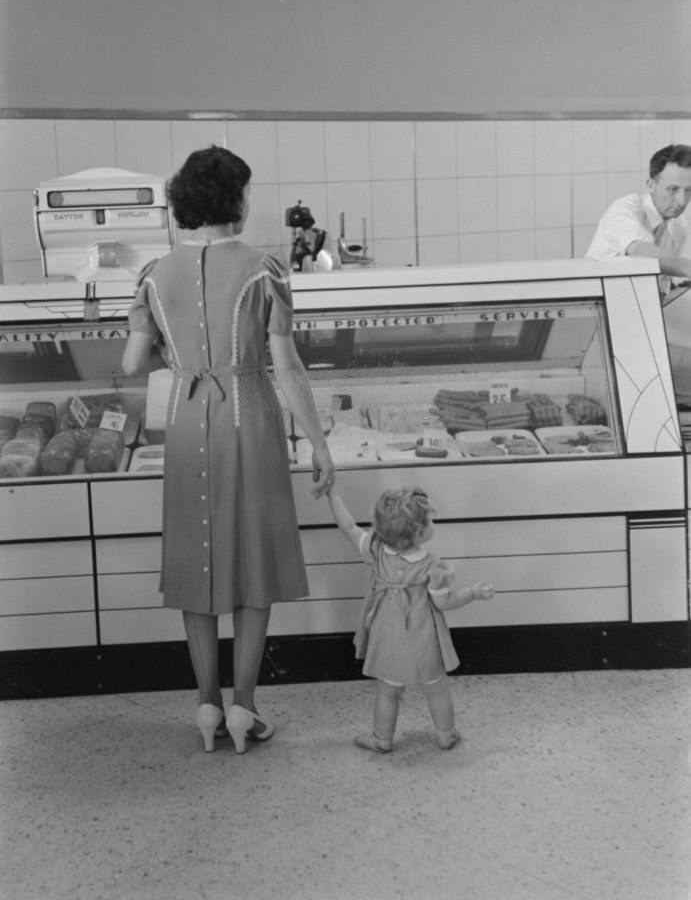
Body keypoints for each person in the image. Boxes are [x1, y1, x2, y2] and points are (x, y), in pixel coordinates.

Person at [122, 145, 335, 754]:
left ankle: (206, 708)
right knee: (254, 561)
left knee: (199, 557)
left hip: (188, 416)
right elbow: (286, 365)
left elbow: (133, 360)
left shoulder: (154, 274)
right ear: (234, 200)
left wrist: (178, 357)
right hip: (249, 413)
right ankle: (245, 707)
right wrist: (318, 444)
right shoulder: (265, 268)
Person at [325, 484, 494, 753]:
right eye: (430, 520)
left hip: (388, 637)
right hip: (423, 636)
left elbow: (347, 526)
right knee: (436, 689)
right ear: (418, 532)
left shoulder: (375, 549)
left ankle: (382, 739)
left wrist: (331, 495)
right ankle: (446, 735)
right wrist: (473, 593)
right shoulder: (432, 566)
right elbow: (445, 601)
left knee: (388, 690)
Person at [585, 143, 691, 296]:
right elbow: (640, 251)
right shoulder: (624, 210)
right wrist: (686, 267)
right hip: (594, 309)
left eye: (689, 190)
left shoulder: (678, 225)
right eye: (673, 189)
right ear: (651, 185)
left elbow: (662, 286)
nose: (682, 201)